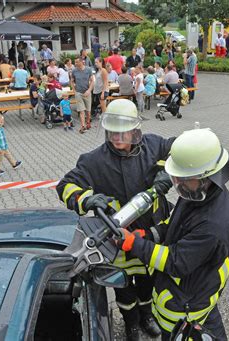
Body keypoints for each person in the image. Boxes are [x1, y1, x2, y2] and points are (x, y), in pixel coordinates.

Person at [56, 99, 174, 341]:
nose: (116, 137)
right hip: (117, 239)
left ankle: (147, 317)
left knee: (147, 280)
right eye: (112, 131)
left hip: (151, 233)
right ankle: (131, 324)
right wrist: (87, 200)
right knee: (123, 286)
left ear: (135, 129)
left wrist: (166, 171)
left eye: (123, 131)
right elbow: (65, 186)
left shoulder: (153, 145)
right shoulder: (93, 160)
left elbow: (178, 151)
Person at [116, 128, 229, 340]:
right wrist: (149, 235)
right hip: (201, 285)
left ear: (206, 176)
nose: (178, 184)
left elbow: (176, 262)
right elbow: (176, 223)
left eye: (183, 178)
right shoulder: (198, 193)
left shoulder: (213, 224)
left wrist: (135, 245)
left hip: (186, 304)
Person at [71, 58, 94, 133]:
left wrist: (89, 90)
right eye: (75, 62)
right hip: (78, 93)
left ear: (81, 62)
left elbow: (92, 81)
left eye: (77, 62)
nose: (75, 63)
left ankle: (88, 122)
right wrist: (74, 91)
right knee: (81, 111)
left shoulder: (88, 70)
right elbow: (71, 81)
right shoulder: (74, 71)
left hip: (87, 92)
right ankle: (83, 126)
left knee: (88, 111)